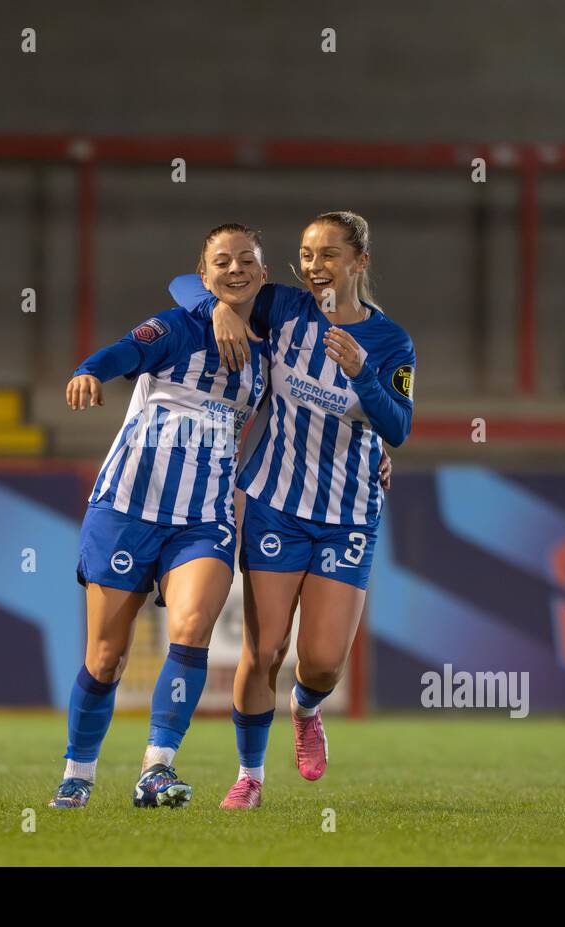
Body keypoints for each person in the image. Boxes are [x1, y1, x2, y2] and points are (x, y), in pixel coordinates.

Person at [169, 211, 415, 808]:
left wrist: (363, 375)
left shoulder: (390, 342)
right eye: (307, 254)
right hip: (275, 502)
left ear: (360, 262)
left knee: (323, 663)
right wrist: (222, 310)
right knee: (264, 650)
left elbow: (398, 427)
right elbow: (187, 284)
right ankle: (249, 777)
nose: (314, 266)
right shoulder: (280, 306)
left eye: (329, 254)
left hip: (349, 513)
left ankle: (306, 711)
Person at [49, 224, 269, 809]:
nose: (235, 269)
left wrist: (371, 457)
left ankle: (157, 769)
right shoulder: (176, 325)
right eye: (222, 261)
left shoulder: (272, 349)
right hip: (127, 506)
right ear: (204, 275)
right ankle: (78, 773)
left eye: (247, 260)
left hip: (205, 516)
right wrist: (90, 369)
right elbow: (126, 350)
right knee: (105, 657)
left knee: (192, 630)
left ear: (264, 273)